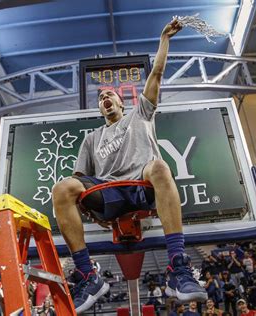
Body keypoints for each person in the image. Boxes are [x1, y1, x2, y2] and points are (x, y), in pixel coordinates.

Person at [51, 18, 206, 313]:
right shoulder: (91, 138)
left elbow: (157, 73)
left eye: (109, 95)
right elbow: (80, 181)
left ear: (122, 103)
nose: (104, 98)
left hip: (141, 186)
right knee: (63, 187)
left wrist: (164, 39)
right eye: (100, 98)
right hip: (109, 194)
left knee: (159, 166)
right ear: (100, 109)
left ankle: (177, 265)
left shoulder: (141, 114)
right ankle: (87, 274)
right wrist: (88, 208)